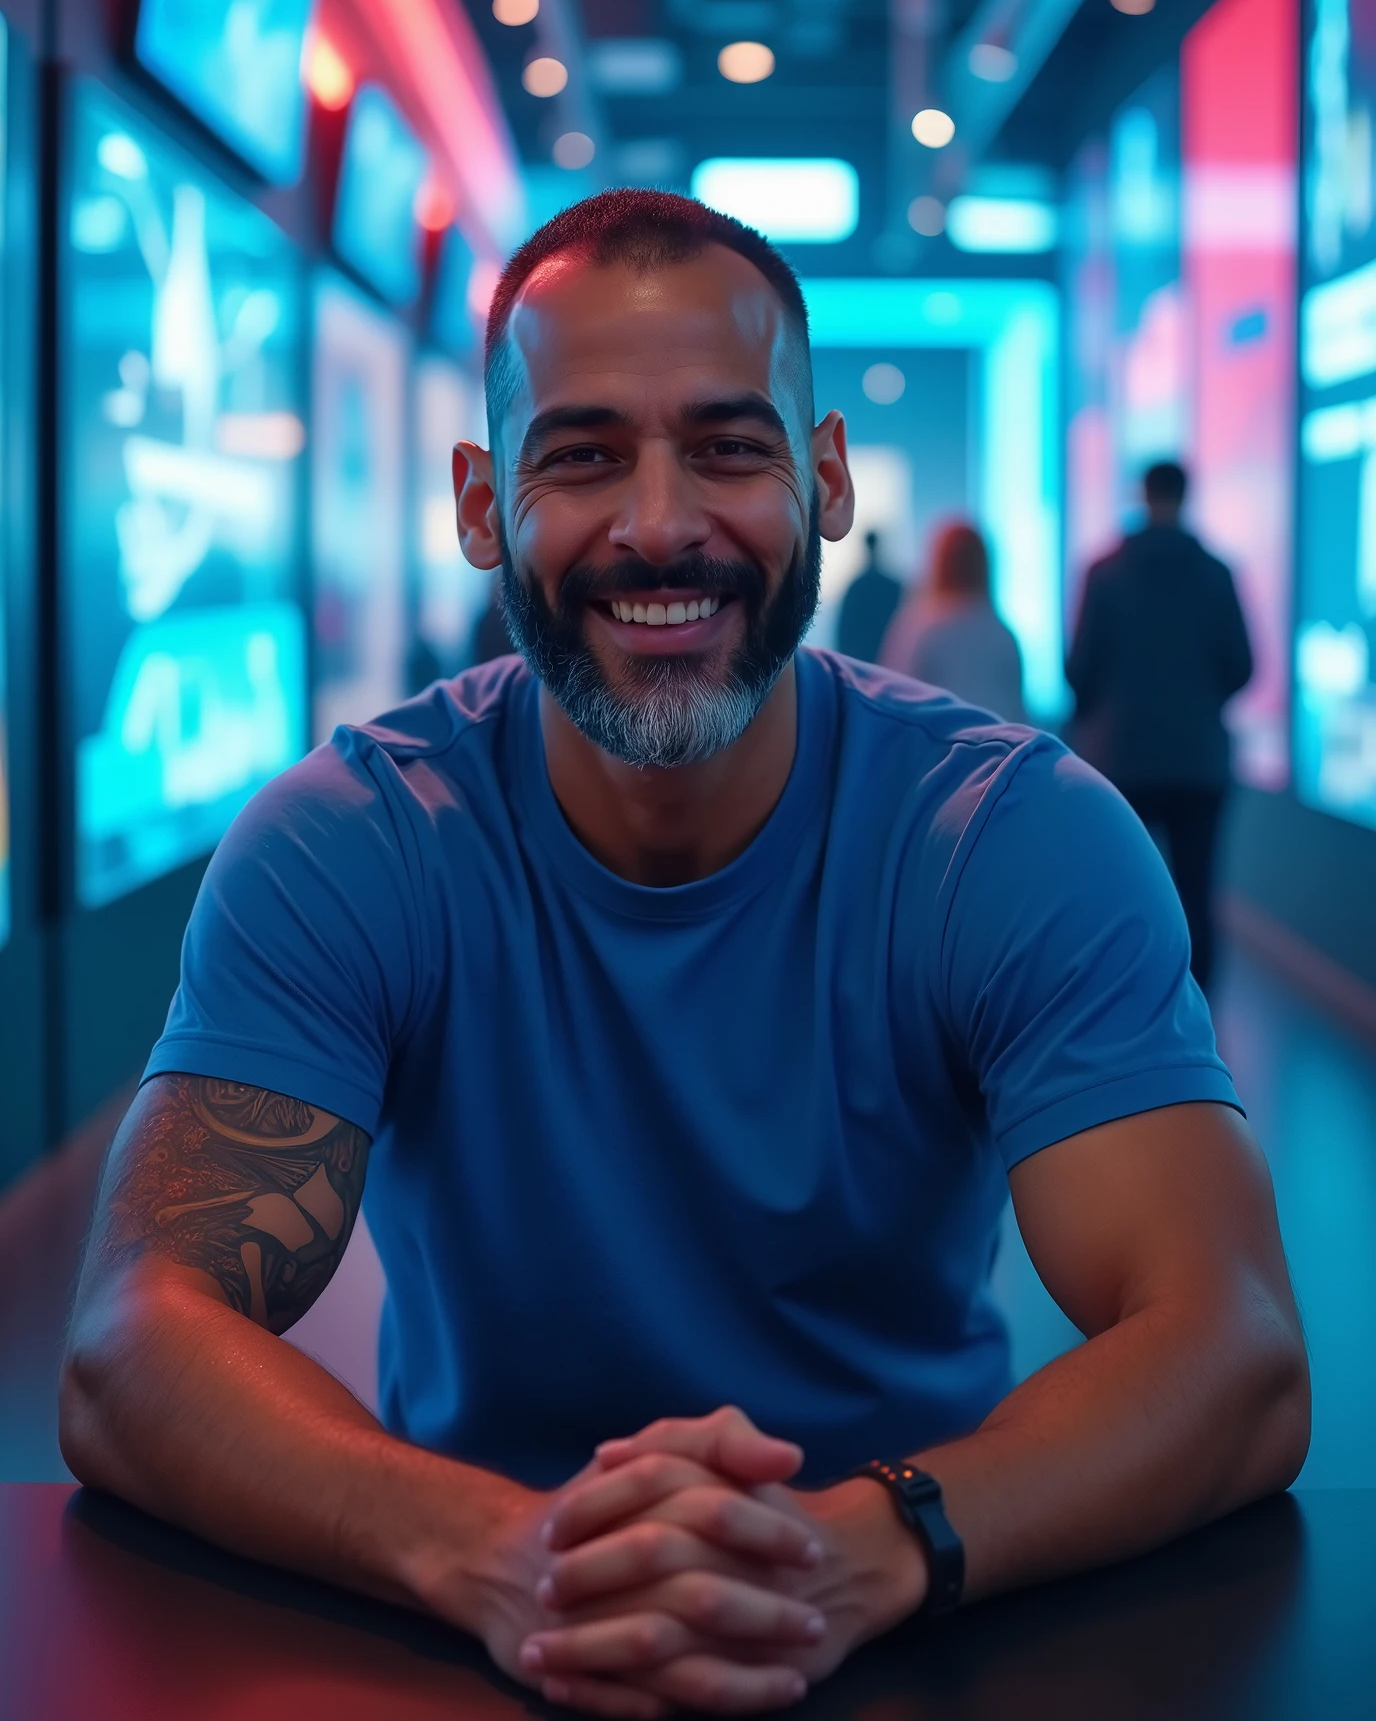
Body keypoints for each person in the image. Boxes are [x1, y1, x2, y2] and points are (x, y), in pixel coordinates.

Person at [62, 193, 1305, 1721]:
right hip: (464, 1617)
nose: (659, 524)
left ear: (826, 478)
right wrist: (501, 1552)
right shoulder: (354, 841)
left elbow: (1232, 1350)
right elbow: (134, 1337)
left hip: (926, 1591)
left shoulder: (1013, 837)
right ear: (478, 504)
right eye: (582, 455)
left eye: (728, 447)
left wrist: (857, 1550)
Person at [1066, 460, 1253, 995]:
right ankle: (1198, 1025)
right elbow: (1242, 667)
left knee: (1122, 890)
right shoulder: (1217, 574)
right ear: (1186, 495)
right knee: (1197, 890)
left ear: (1141, 497)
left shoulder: (1104, 573)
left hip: (1122, 759)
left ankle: (1128, 1011)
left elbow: (1080, 671)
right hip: (1199, 761)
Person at [880, 520, 1024, 721]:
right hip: (998, 749)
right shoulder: (1001, 634)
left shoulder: (917, 627)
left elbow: (892, 698)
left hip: (934, 748)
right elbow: (1018, 711)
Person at [835, 529, 902, 663]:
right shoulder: (892, 586)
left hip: (864, 662)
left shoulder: (856, 587)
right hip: (890, 659)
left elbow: (844, 632)